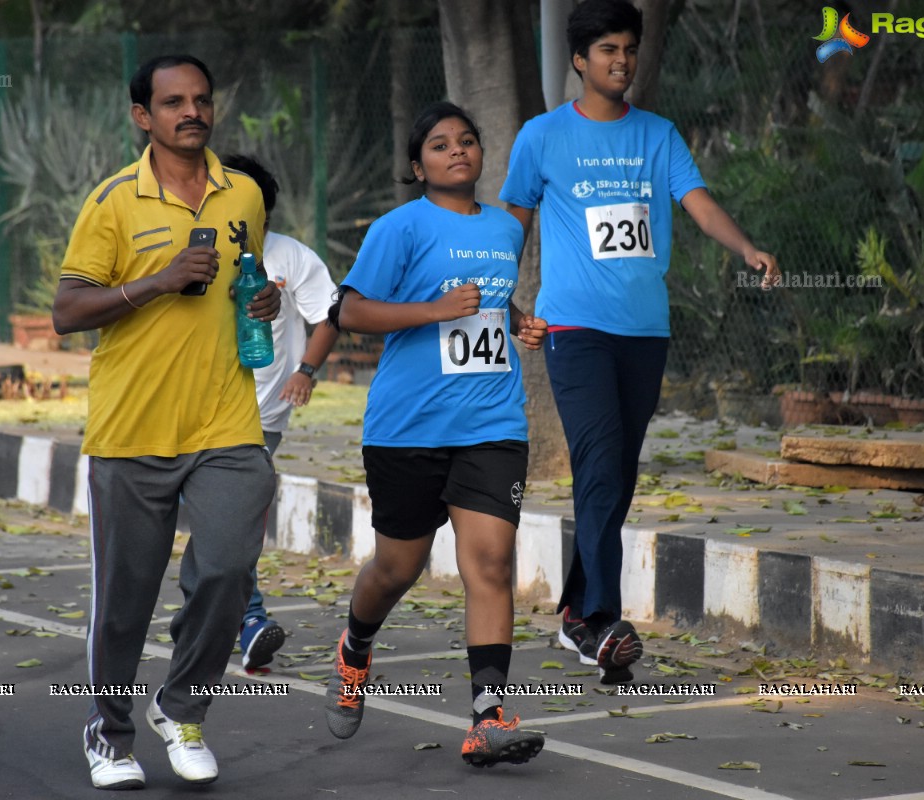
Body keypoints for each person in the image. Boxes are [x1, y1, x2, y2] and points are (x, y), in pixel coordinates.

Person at [499, 0, 781, 684]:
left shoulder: (658, 134)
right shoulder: (541, 137)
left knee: (616, 474)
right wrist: (506, 303)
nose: (620, 61)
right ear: (578, 61)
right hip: (574, 330)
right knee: (597, 464)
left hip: (644, 331)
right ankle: (603, 620)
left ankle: (572, 612)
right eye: (607, 51)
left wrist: (745, 246)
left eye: (628, 48)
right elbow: (511, 225)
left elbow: (698, 202)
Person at [53, 54, 281, 790]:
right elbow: (67, 312)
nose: (193, 112)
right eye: (174, 102)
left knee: (225, 569)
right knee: (126, 601)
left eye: (202, 100)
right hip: (131, 432)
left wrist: (263, 301)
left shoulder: (244, 193)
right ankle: (110, 734)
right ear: (142, 116)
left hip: (226, 421)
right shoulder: (113, 201)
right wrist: (157, 281)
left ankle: (181, 709)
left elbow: (246, 281)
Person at [322, 101, 548, 767]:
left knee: (491, 563)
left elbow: (490, 298)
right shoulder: (399, 228)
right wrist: (432, 310)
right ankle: (355, 644)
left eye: (469, 141)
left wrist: (520, 321)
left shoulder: (507, 229)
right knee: (398, 569)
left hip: (492, 422)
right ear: (418, 166)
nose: (458, 151)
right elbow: (349, 309)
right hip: (408, 428)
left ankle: (488, 715)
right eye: (442, 145)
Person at [220, 153, 340, 671]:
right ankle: (216, 618)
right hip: (194, 405)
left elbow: (330, 314)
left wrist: (306, 370)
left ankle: (247, 621)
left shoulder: (290, 257)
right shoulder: (196, 249)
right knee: (219, 524)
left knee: (235, 517)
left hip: (261, 416)